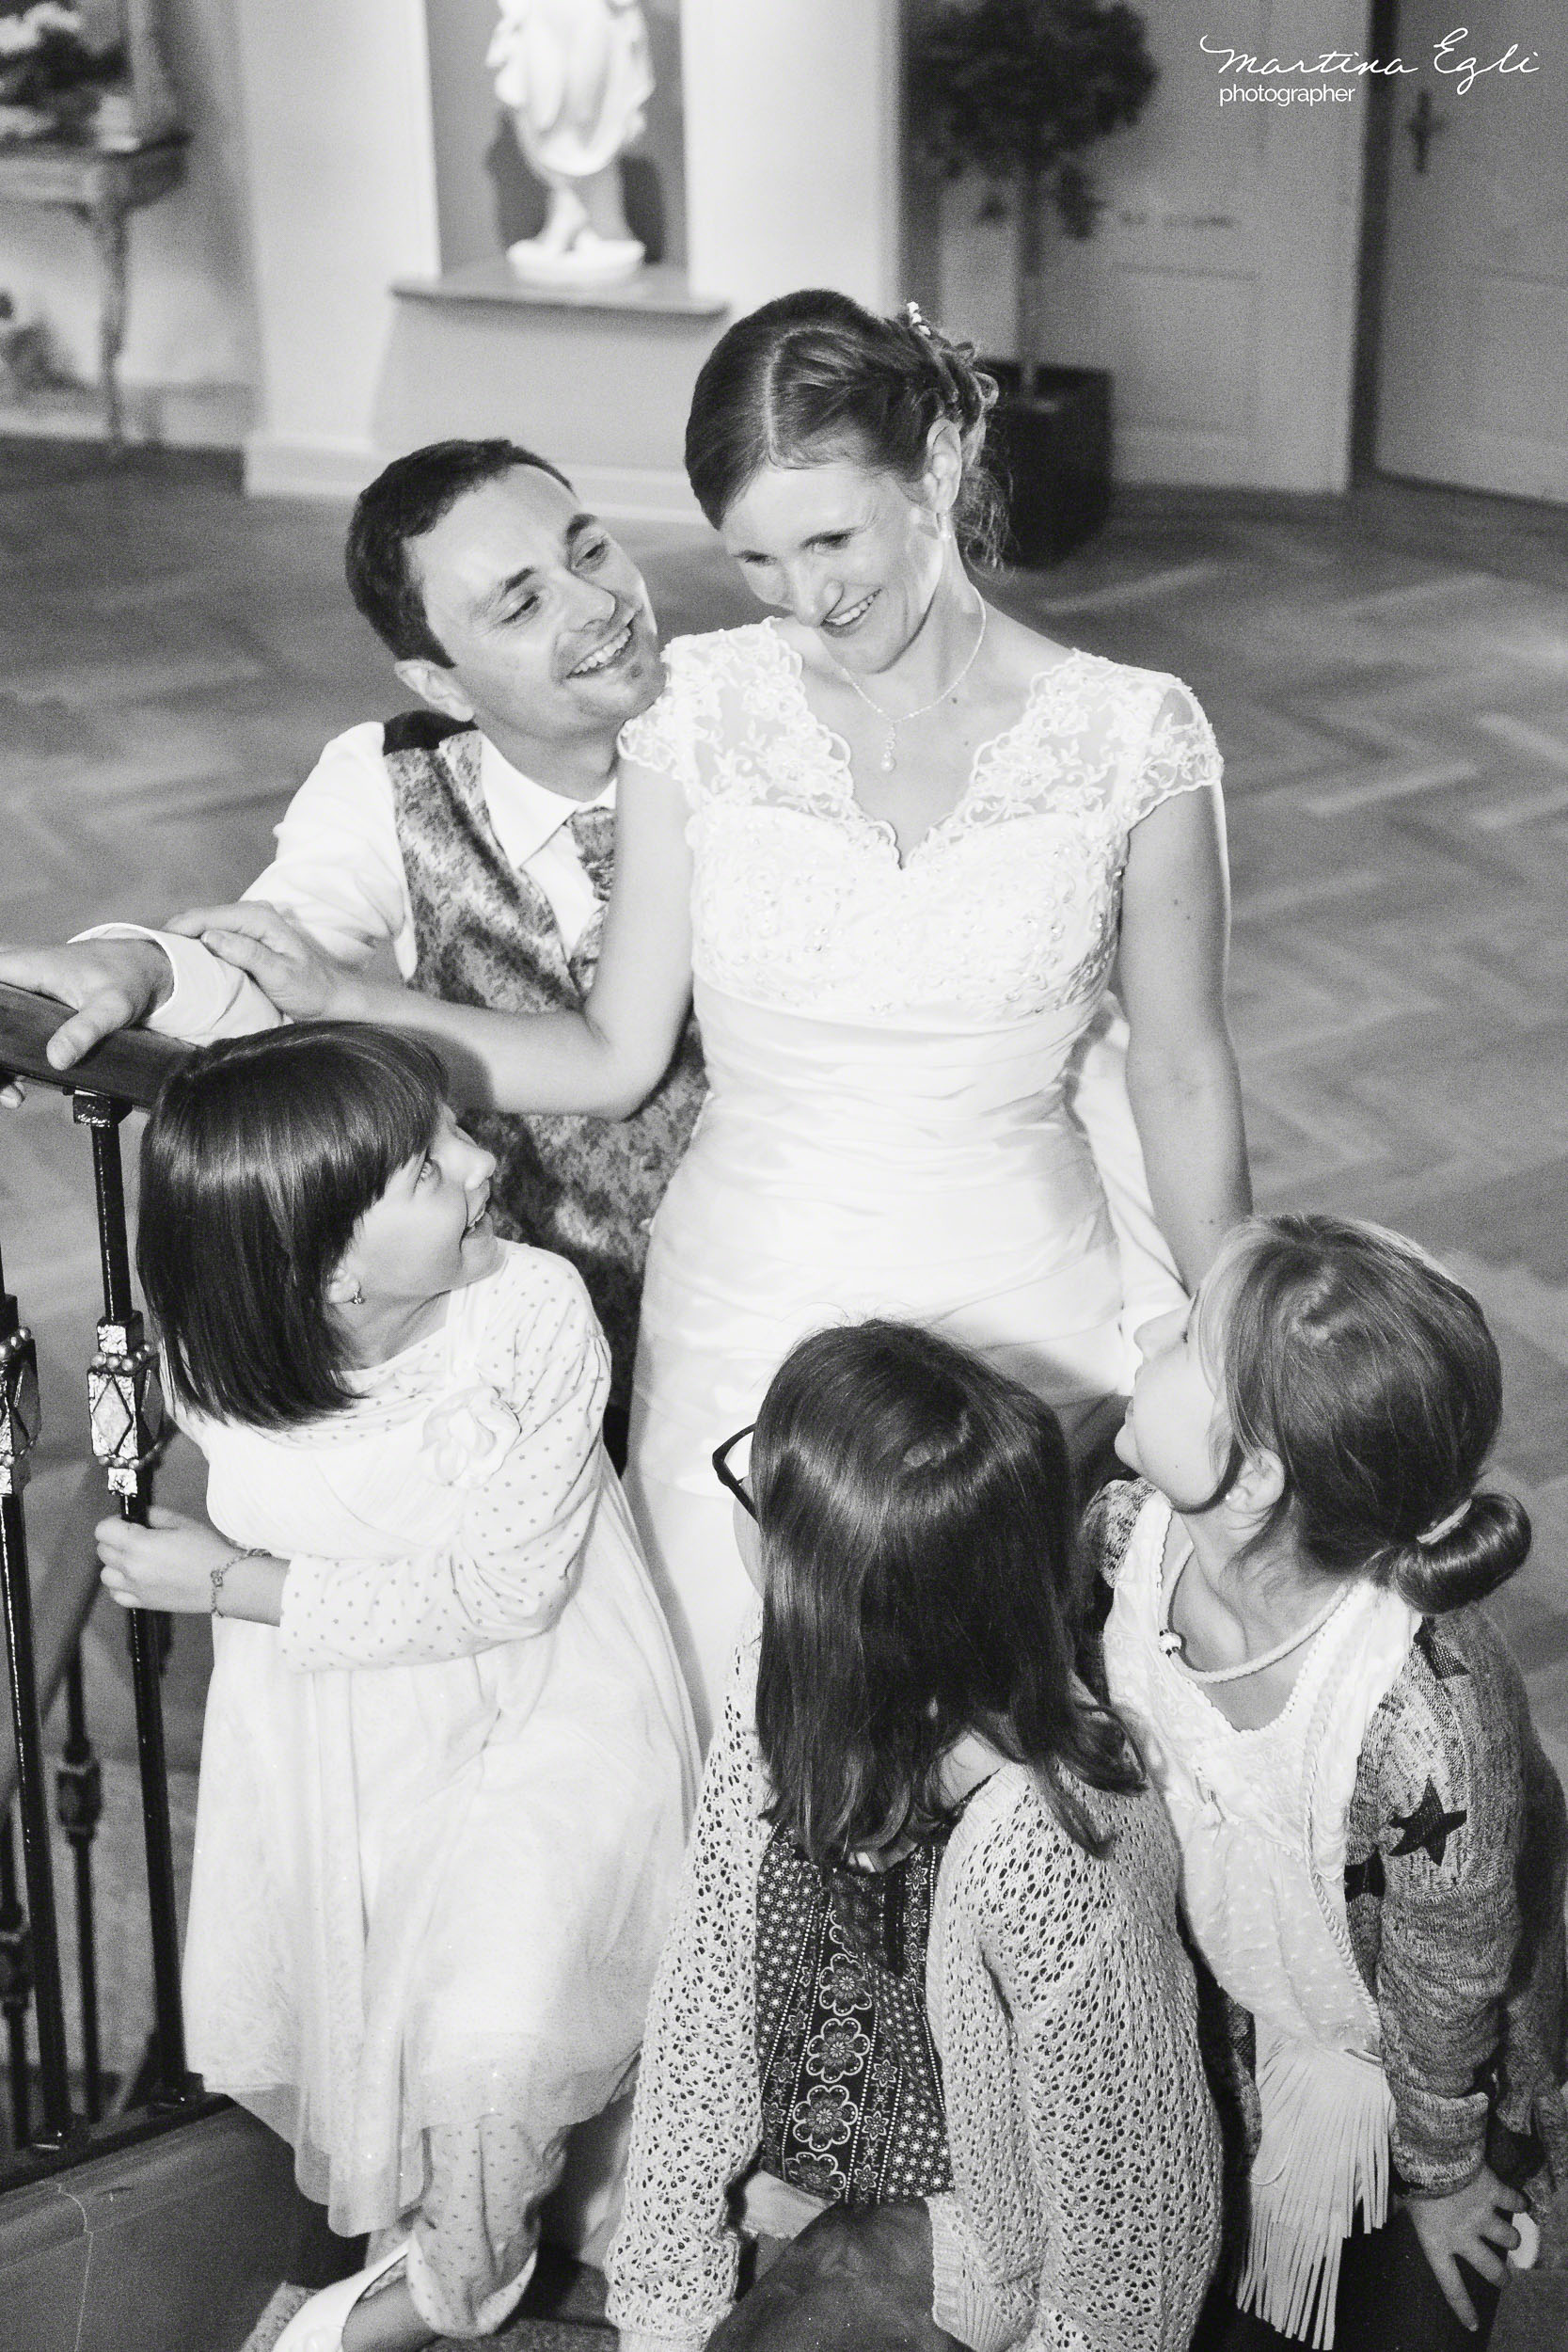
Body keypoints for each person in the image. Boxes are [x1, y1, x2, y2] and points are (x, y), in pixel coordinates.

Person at [148, 294, 1248, 1741]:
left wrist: (1240, 1323)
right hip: (747, 1315)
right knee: (740, 1731)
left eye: (833, 541)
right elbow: (609, 1061)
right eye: (753, 558)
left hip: (1021, 1308)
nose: (800, 599)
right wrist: (343, 997)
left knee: (993, 1746)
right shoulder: (702, 714)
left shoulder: (1136, 732)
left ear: (937, 461)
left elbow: (1174, 1068)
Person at [0, 433, 1159, 1489]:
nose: (596, 605)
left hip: (804, 1327)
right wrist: (139, 971)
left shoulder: (784, 720)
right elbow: (282, 956)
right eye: (520, 604)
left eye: (588, 549)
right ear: (439, 683)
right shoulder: (384, 784)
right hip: (527, 1378)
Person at [95, 1024, 696, 2352]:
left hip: (547, 1714)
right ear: (319, 1259)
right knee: (397, 2035)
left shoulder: (532, 1313)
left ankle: (426, 2306)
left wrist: (229, 1582)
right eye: (430, 1165)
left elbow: (503, 1594)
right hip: (352, 1752)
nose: (485, 1159)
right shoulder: (212, 1364)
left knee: (498, 2036)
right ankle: (437, 2271)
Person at [606, 1317, 1223, 2352]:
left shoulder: (1054, 1846)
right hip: (835, 2172)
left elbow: (1133, 2244)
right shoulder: (775, 1675)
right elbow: (703, 2003)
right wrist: (662, 2312)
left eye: (747, 1485)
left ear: (816, 1581)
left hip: (990, 2238)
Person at [1094, 1212, 1568, 2352]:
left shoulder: (1417, 1722)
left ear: (1250, 1476)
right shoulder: (1122, 1537)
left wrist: (1444, 2170)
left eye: (1181, 1341)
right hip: (1228, 2009)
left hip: (1409, 2069)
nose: (1141, 1329)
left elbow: (1448, 1981)